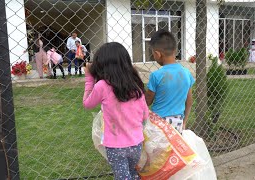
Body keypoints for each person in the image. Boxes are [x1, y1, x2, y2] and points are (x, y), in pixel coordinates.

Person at [83, 42, 149, 180]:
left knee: (123, 177)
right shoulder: (136, 85)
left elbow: (87, 104)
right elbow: (145, 116)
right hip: (136, 144)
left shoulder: (102, 86)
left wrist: (89, 78)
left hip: (115, 147)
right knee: (132, 174)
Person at [145, 29, 195, 133]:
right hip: (178, 123)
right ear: (175, 51)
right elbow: (189, 101)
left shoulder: (156, 75)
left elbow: (147, 101)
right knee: (172, 149)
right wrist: (184, 122)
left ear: (158, 54)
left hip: (158, 124)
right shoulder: (186, 73)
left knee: (156, 149)